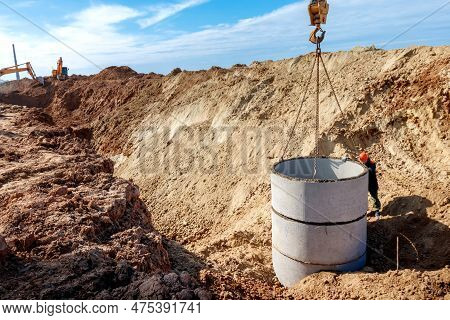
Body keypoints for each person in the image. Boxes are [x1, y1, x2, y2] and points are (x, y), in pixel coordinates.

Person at [359, 151, 381, 219]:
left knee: (374, 197)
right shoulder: (362, 163)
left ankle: (377, 211)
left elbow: (370, 171)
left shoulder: (372, 164)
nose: (362, 162)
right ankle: (365, 211)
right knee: (363, 198)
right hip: (365, 184)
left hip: (372, 184)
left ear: (366, 159)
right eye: (361, 161)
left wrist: (364, 169)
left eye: (363, 161)